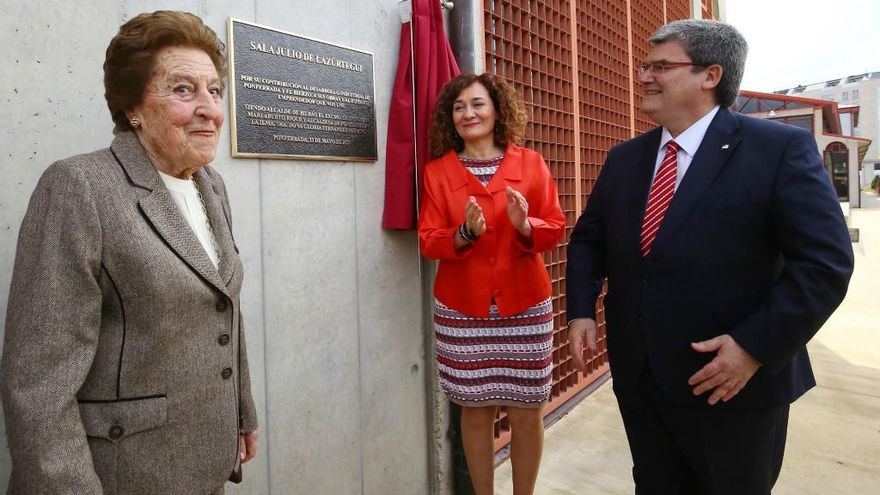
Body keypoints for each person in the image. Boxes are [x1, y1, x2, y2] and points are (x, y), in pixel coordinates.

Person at [566, 19, 854, 494]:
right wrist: (580, 309)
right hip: (641, 380)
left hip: (731, 384)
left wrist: (754, 347)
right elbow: (589, 240)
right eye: (644, 65)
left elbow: (824, 265)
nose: (643, 76)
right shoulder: (625, 159)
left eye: (660, 66)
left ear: (710, 75)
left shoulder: (777, 149)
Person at [1, 11, 258, 494]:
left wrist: (241, 411)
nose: (209, 109)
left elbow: (224, 304)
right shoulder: (79, 186)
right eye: (183, 90)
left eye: (215, 91)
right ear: (133, 106)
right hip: (124, 473)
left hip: (204, 464)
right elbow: (38, 383)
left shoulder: (211, 186)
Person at [418, 73, 565, 495]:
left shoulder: (530, 164)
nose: (469, 113)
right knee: (475, 410)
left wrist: (525, 225)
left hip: (525, 307)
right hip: (463, 311)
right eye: (459, 107)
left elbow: (554, 227)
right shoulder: (438, 172)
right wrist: (463, 233)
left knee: (527, 410)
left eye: (478, 104)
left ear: (497, 109)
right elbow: (428, 239)